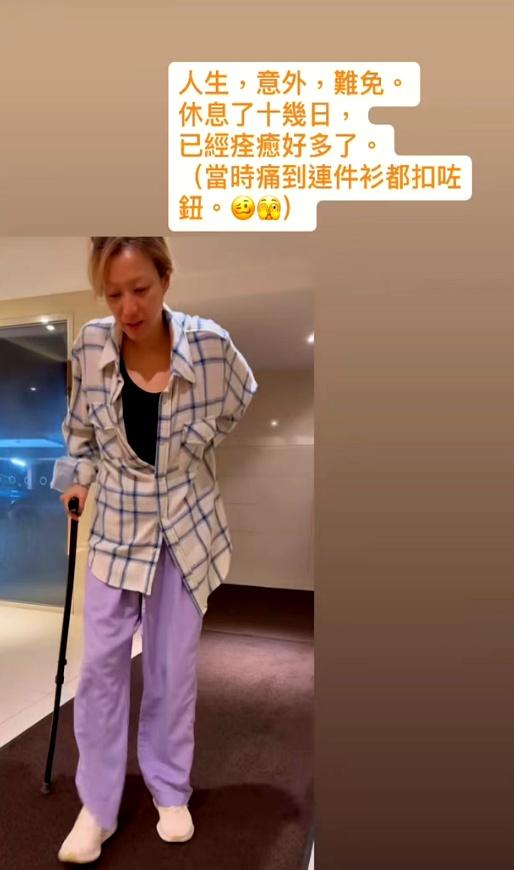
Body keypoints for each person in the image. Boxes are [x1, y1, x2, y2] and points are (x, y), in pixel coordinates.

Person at [50, 237, 258, 863]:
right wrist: (76, 481)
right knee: (101, 671)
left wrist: (195, 448)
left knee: (171, 669)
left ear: (166, 278)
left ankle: (170, 789)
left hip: (185, 531)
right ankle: (97, 804)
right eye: (113, 294)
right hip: (116, 527)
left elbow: (239, 399)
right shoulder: (90, 346)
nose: (127, 308)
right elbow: (79, 435)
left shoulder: (211, 345)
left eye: (140, 289)